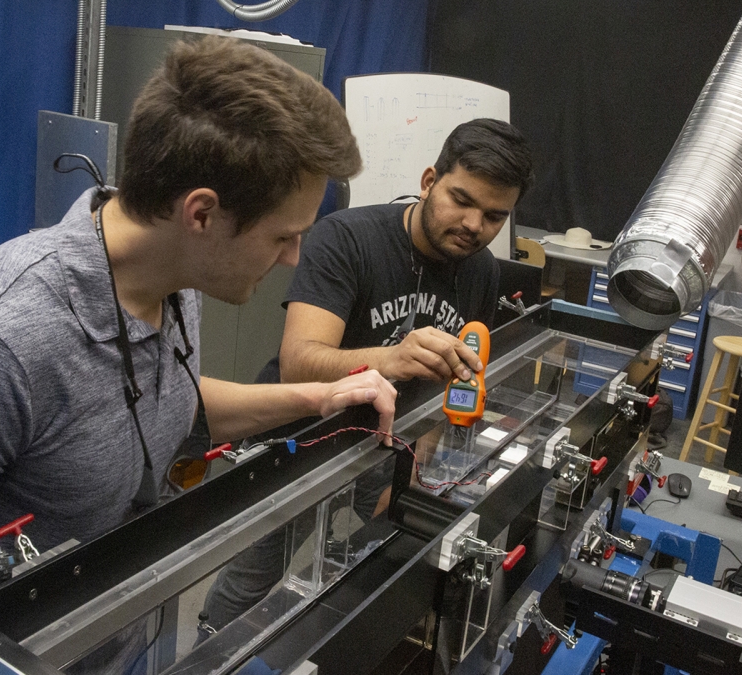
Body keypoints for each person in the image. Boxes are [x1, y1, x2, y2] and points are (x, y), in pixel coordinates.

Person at [0, 37, 397, 675]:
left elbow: (162, 406)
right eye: (284, 236)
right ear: (201, 214)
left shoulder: (176, 280)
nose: (293, 258)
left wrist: (317, 398)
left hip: (119, 644)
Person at [199, 118, 534, 635]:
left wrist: (415, 469)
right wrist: (393, 358)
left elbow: (461, 378)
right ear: (428, 182)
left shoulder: (482, 270)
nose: (473, 224)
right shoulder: (348, 237)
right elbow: (300, 361)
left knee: (365, 571)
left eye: (494, 215)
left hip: (388, 448)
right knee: (252, 577)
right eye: (461, 200)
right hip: (301, 439)